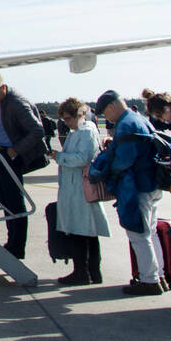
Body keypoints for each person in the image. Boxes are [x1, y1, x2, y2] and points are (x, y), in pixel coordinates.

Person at [91, 90, 165, 295]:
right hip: (152, 183)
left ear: (112, 106)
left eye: (105, 113)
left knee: (138, 235)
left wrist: (107, 170)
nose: (107, 118)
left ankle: (150, 281)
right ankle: (159, 275)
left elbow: (124, 160)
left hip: (138, 186)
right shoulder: (139, 119)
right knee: (150, 232)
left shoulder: (126, 125)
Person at [0, 71, 47, 259]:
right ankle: (11, 241)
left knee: (14, 201)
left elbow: (37, 130)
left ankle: (18, 245)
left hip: (9, 154)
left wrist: (15, 150)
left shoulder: (17, 104)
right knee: (4, 200)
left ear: (3, 87)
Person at [52, 98, 109, 285]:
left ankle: (82, 272)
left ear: (79, 115)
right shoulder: (79, 131)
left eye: (68, 118)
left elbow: (84, 157)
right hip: (76, 188)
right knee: (88, 233)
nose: (66, 123)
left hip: (79, 188)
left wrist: (60, 157)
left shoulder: (85, 132)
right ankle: (93, 272)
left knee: (79, 232)